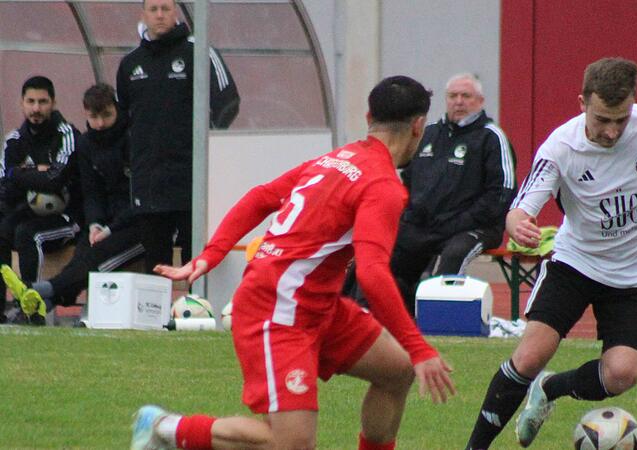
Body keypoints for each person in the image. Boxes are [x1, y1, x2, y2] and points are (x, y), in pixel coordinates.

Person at [130, 75, 455, 450]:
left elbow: (260, 197)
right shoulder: (382, 186)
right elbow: (372, 272)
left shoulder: (336, 159)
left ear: (369, 116)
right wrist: (420, 348)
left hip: (318, 306)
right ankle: (166, 426)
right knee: (292, 444)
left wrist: (210, 254)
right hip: (277, 311)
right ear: (419, 127)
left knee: (396, 372)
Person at [464, 57, 637, 449]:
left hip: (636, 275)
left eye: (621, 119)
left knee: (622, 375)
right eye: (602, 119)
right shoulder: (561, 148)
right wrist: (518, 224)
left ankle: (550, 388)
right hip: (576, 264)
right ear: (582, 102)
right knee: (529, 357)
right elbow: (520, 209)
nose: (612, 131)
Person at [347, 73, 516, 315]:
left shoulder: (491, 137)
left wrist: (460, 221)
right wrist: (408, 214)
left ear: (480, 101)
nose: (459, 101)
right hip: (424, 224)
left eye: (466, 96)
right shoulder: (430, 133)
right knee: (383, 249)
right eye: (453, 96)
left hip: (473, 227)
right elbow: (408, 180)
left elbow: (502, 192)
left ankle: (441, 323)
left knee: (453, 255)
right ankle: (364, 314)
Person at [1, 83, 145, 322]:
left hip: (137, 225)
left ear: (117, 110)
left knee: (93, 265)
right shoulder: (87, 143)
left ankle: (37, 292)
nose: (100, 123)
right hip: (103, 225)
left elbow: (139, 197)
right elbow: (92, 192)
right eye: (94, 117)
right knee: (82, 259)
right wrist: (96, 223)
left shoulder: (134, 139)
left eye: (106, 115)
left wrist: (110, 228)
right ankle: (41, 302)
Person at [116, 0, 240, 273]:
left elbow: (228, 103)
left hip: (190, 181)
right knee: (155, 262)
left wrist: (207, 150)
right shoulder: (130, 64)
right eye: (153, 9)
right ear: (144, 15)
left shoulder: (199, 52)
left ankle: (193, 314)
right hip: (149, 182)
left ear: (176, 13)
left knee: (193, 258)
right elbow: (121, 120)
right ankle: (158, 317)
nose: (160, 15)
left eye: (166, 8)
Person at [0, 76, 82, 325]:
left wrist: (22, 173)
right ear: (22, 104)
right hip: (30, 212)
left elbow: (56, 180)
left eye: (43, 101)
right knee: (3, 230)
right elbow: (5, 182)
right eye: (31, 101)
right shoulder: (14, 140)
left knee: (28, 234)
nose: (36, 108)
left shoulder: (67, 134)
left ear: (53, 102)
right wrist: (33, 173)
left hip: (68, 218)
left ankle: (31, 308)